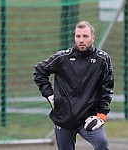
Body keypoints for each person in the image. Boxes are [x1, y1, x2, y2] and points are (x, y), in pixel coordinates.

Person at [33, 20, 114, 150]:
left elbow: (106, 89)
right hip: (64, 118)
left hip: (89, 118)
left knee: (102, 144)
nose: (81, 40)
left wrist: (102, 116)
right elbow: (39, 71)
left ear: (93, 38)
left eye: (85, 36)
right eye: (78, 36)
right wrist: (50, 96)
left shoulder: (102, 59)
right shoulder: (62, 58)